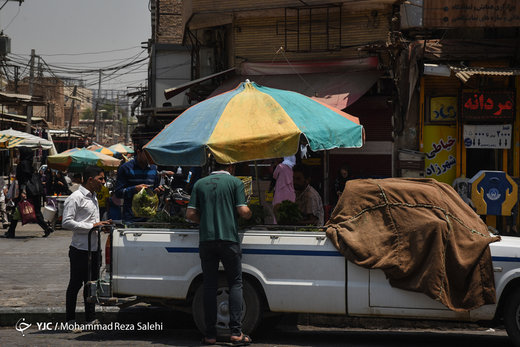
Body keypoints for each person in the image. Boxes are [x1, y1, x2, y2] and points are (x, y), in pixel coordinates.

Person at [186, 162, 253, 345]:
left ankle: (210, 335)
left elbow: (190, 213)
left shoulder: (200, 183)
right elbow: (243, 211)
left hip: (206, 241)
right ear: (230, 167)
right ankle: (236, 333)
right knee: (235, 284)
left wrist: (205, 219)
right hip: (229, 240)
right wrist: (250, 212)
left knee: (209, 285)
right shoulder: (235, 183)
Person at [62, 166, 112, 326]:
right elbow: (66, 222)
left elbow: (92, 221)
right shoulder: (75, 197)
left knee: (91, 285)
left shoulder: (94, 197)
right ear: (90, 179)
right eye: (101, 179)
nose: (103, 182)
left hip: (95, 248)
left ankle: (90, 318)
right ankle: (70, 319)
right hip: (80, 249)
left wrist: (100, 226)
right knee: (75, 284)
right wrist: (92, 226)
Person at [5, 147, 54, 238]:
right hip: (36, 191)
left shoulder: (23, 164)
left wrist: (23, 191)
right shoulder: (31, 164)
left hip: (27, 191)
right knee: (36, 211)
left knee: (16, 210)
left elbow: (24, 179)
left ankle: (11, 231)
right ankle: (46, 228)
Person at [114, 139, 162, 224]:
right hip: (131, 219)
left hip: (150, 219)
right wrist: (135, 189)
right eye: (147, 153)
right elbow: (118, 193)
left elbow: (154, 190)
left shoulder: (154, 168)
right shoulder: (125, 168)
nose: (150, 156)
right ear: (139, 152)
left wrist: (158, 191)